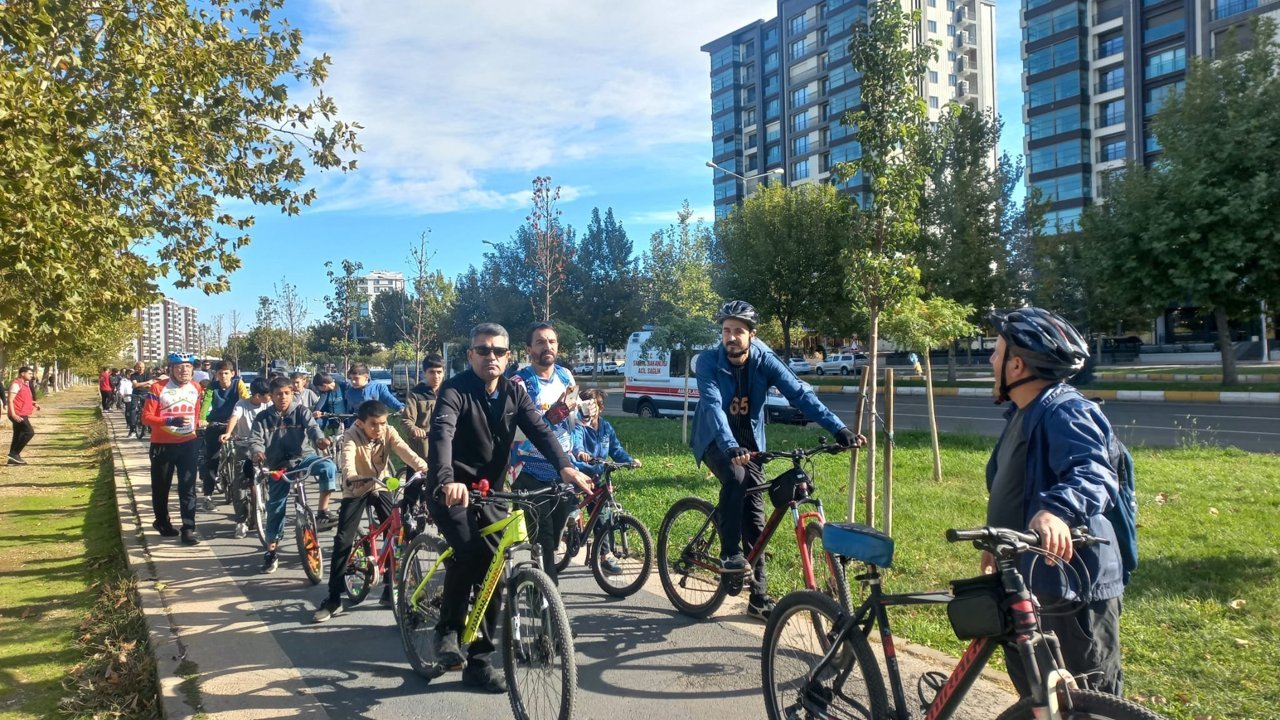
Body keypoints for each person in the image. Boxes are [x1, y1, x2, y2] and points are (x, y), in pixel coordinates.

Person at [421, 322, 592, 693]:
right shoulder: (454, 390)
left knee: (496, 569)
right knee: (470, 552)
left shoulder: (514, 393)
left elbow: (541, 430)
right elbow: (442, 435)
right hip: (451, 491)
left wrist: (565, 466)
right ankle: (447, 631)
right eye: (483, 350)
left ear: (509, 356)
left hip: (492, 494)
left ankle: (479, 661)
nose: (491, 357)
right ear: (471, 355)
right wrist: (447, 480)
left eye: (498, 351)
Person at [984, 307, 1126, 697]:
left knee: (1085, 700)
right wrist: (998, 546)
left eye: (996, 353)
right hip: (1032, 576)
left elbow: (1094, 471)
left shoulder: (1066, 411)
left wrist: (1057, 511)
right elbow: (1016, 488)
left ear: (1016, 365)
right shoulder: (1024, 412)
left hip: (1071, 586)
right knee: (1040, 695)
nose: (991, 361)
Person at [690, 300, 862, 621]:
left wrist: (838, 429)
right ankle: (729, 554)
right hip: (715, 438)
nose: (731, 337)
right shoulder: (709, 362)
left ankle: (758, 598)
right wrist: (730, 446)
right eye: (726, 330)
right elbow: (713, 406)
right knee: (737, 478)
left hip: (750, 444)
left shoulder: (764, 360)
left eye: (738, 331)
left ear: (752, 335)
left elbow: (799, 393)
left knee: (756, 517)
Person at [311, 399, 430, 618]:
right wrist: (351, 476)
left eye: (382, 423)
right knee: (343, 540)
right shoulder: (351, 435)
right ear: (360, 423)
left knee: (396, 534)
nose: (379, 428)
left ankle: (389, 588)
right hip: (356, 487)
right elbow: (347, 458)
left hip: (381, 484)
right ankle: (333, 598)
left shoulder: (389, 431)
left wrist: (425, 468)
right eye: (373, 424)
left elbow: (405, 451)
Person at [510, 322, 593, 585]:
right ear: (528, 349)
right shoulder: (518, 383)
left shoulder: (565, 376)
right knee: (542, 538)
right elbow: (513, 432)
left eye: (552, 341)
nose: (548, 347)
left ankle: (541, 583)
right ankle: (545, 595)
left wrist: (585, 413)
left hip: (561, 468)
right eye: (540, 342)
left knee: (555, 533)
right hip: (529, 468)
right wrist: (550, 416)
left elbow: (574, 416)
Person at [248, 376, 336, 573]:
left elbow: (313, 428)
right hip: (278, 466)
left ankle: (323, 512)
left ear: (292, 393)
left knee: (328, 467)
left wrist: (320, 440)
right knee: (275, 508)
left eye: (287, 393)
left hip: (303, 458)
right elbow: (255, 439)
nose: (283, 397)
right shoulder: (263, 418)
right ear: (271, 396)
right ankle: (271, 551)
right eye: (278, 394)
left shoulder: (301, 411)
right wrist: (257, 452)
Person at [571, 388, 641, 575]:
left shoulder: (605, 427)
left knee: (602, 515)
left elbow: (616, 450)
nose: (591, 409)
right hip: (578, 475)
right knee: (570, 508)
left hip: (597, 476)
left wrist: (630, 461)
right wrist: (581, 453)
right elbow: (576, 443)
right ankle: (568, 532)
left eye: (595, 405)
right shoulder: (579, 425)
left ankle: (604, 557)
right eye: (587, 405)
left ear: (601, 408)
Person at [141, 352, 206, 545]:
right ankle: (162, 522)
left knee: (188, 487)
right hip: (162, 445)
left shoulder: (196, 387)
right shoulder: (158, 387)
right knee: (161, 487)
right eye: (179, 367)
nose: (184, 370)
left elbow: (196, 412)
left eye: (188, 366)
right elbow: (146, 418)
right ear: (171, 369)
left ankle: (188, 528)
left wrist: (197, 426)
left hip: (188, 443)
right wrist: (169, 420)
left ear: (192, 369)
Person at [220, 376, 273, 538]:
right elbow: (234, 417)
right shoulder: (241, 404)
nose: (270, 397)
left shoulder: (269, 405)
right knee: (240, 484)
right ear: (257, 396)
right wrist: (228, 433)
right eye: (268, 395)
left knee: (272, 478)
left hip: (263, 448)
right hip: (244, 447)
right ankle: (241, 522)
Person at [200, 361, 250, 509]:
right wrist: (202, 418)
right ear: (216, 374)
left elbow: (245, 399)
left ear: (232, 373)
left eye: (226, 373)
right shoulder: (212, 386)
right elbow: (206, 402)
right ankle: (207, 497)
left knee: (244, 454)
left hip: (234, 423)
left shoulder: (238, 384)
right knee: (212, 460)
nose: (223, 376)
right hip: (215, 423)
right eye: (220, 373)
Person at [403, 354, 445, 462]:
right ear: (425, 372)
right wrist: (414, 429)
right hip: (423, 449)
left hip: (446, 446)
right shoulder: (415, 394)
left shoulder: (449, 392)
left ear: (443, 372)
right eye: (432, 372)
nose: (436, 376)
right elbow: (406, 420)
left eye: (439, 372)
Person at [7, 366, 40, 465]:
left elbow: (23, 398)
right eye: (29, 373)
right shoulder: (16, 384)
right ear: (22, 374)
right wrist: (13, 414)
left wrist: (33, 403)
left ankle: (13, 459)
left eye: (32, 374)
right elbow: (10, 400)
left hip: (22, 413)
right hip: (18, 414)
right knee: (29, 432)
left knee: (17, 435)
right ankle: (14, 454)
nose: (31, 376)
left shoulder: (25, 385)